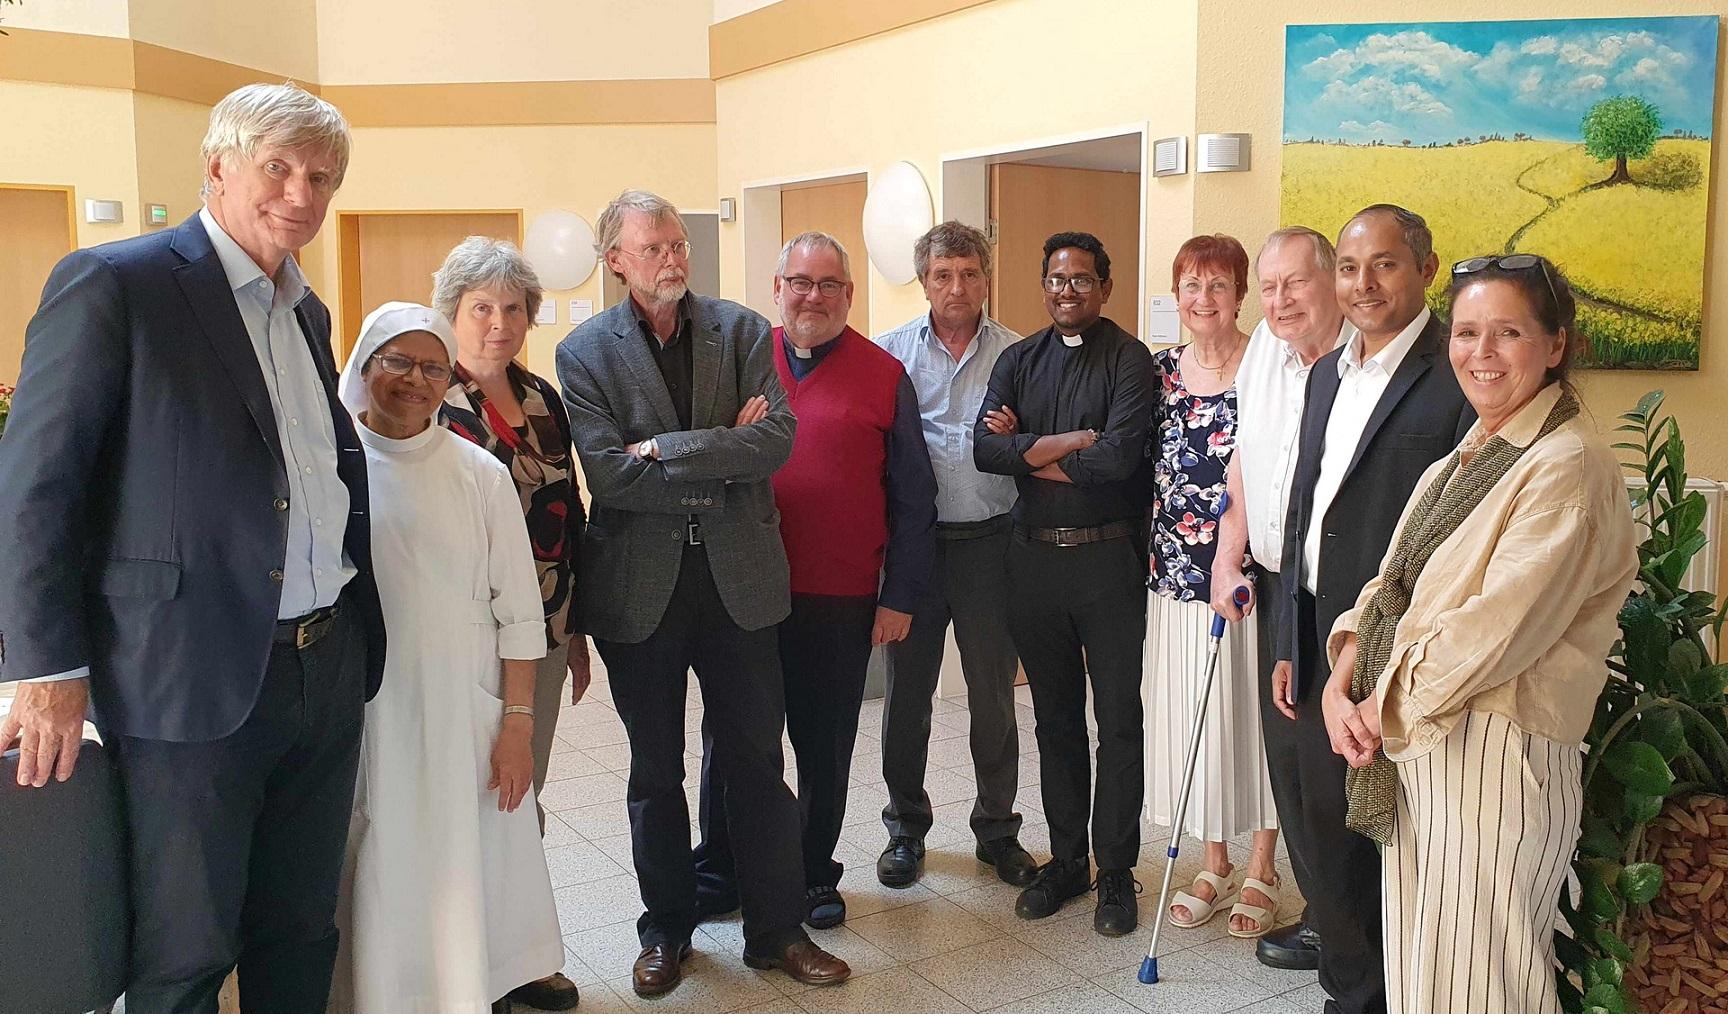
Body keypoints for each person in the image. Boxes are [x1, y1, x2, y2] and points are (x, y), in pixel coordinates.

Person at [0, 83, 387, 1011]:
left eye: (321, 177)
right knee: (186, 946)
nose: (301, 194)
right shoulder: (117, 284)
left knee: (299, 927)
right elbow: (35, 487)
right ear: (218, 167)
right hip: (186, 673)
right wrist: (46, 665)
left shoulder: (307, 311)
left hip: (322, 665)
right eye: (278, 168)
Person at [1322, 254, 1636, 1013]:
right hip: (1416, 743)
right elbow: (1384, 588)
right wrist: (1341, 683)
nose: (1481, 353)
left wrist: (1372, 707)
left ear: (1555, 344)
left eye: (1508, 333)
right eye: (1466, 332)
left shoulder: (1568, 464)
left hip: (1493, 754)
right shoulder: (1470, 457)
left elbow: (1494, 632)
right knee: (1427, 976)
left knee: (1485, 984)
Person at [555, 190, 849, 997]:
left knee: (756, 760)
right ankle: (667, 932)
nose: (672, 260)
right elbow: (608, 473)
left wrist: (667, 450)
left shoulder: (745, 330)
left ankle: (777, 930)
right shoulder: (584, 351)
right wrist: (721, 453)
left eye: (679, 245)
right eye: (653, 248)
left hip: (740, 584)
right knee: (656, 770)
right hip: (639, 591)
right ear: (615, 258)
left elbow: (776, 440)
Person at [694, 232, 937, 930]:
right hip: (744, 592)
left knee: (824, 745)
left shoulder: (884, 374)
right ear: (777, 289)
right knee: (733, 739)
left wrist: (899, 597)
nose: (812, 296)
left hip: (840, 597)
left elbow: (914, 499)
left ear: (849, 296)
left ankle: (810, 874)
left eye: (829, 285)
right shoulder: (740, 363)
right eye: (799, 282)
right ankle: (721, 870)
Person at [329, 302, 564, 1011]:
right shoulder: (331, 471)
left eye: (432, 366)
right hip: (366, 712)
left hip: (467, 710)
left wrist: (517, 724)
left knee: (468, 859)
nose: (414, 379)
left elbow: (520, 609)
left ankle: (469, 987)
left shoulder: (478, 473)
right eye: (396, 361)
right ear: (363, 368)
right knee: (377, 855)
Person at [1274, 205, 1474, 1014]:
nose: (1364, 284)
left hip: (1403, 644)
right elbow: (1305, 505)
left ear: (1424, 270)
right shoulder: (1326, 370)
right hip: (1320, 630)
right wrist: (1290, 637)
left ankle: (1406, 993)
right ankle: (1349, 993)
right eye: (1351, 268)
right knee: (1326, 831)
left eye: (1385, 265)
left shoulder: (1455, 369)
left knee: (1399, 840)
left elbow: (1456, 528)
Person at [975, 231, 1153, 937]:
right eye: (1056, 279)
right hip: (1033, 564)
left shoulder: (1130, 359)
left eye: (1081, 278)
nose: (1067, 290)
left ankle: (1116, 871)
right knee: (1053, 720)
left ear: (1105, 287)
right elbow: (986, 451)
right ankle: (1068, 861)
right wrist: (1075, 441)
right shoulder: (1018, 360)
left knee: (1118, 722)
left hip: (1108, 563)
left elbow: (1117, 462)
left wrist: (1033, 451)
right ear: (1043, 285)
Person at [428, 236, 586, 1010]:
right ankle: (466, 965)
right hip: (458, 636)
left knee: (523, 791)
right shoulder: (426, 399)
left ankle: (518, 957)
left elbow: (572, 514)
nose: (499, 322)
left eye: (513, 308)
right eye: (481, 308)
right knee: (462, 800)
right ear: (451, 313)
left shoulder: (542, 399)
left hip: (543, 632)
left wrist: (576, 629)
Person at [873, 221, 1036, 890]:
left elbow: (1037, 447)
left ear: (986, 277)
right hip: (913, 551)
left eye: (969, 273)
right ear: (924, 281)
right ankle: (905, 829)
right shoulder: (888, 357)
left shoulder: (1019, 356)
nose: (957, 287)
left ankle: (996, 830)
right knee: (907, 697)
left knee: (994, 697)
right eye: (943, 275)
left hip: (990, 545)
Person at [1210, 225, 1354, 964]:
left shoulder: (1363, 361)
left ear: (1333, 280)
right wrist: (1225, 556)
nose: (1280, 300)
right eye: (1268, 287)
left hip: (1344, 600)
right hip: (1276, 589)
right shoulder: (1267, 349)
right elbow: (1247, 456)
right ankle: (1326, 919)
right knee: (1292, 766)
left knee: (1338, 774)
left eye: (1295, 283)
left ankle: (1356, 931)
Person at [1143, 234, 1281, 939]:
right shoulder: (1161, 371)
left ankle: (1264, 864)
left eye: (1219, 286)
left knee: (1248, 721)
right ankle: (1214, 859)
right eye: (1192, 286)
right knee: (1195, 718)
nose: (1204, 300)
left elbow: (1268, 469)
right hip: (1172, 577)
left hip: (1244, 580)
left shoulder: (1268, 367)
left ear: (1240, 294)